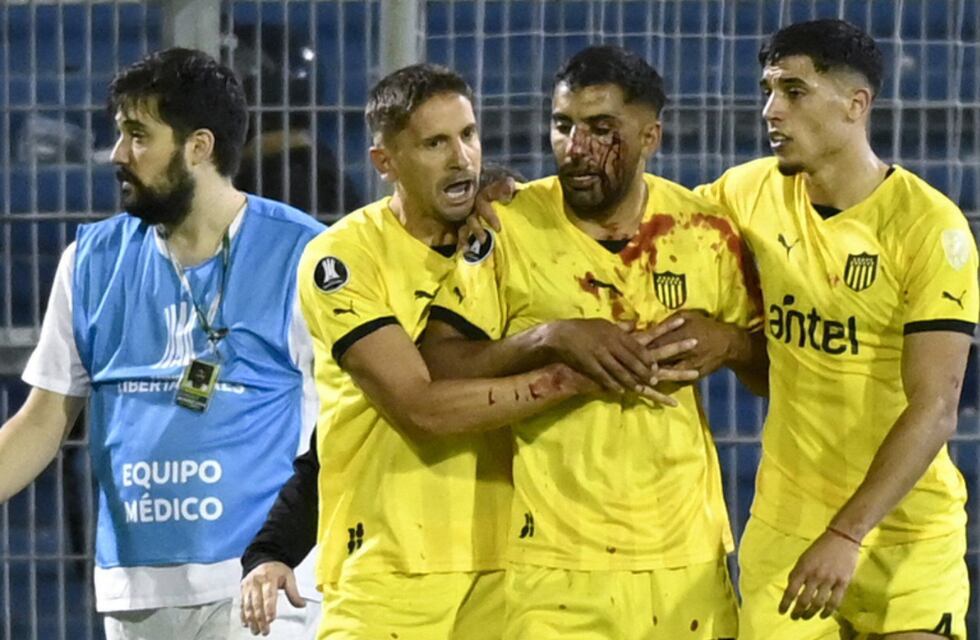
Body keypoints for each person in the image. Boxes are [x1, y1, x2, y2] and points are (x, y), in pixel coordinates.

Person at [419, 45, 765, 639]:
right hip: (555, 562)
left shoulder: (704, 231)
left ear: (650, 135)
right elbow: (440, 364)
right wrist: (549, 338)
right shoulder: (508, 225)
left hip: (686, 554)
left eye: (601, 129)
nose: (575, 149)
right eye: (562, 126)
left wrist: (732, 342)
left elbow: (776, 375)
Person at [280, 62, 623, 640]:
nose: (462, 158)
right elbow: (422, 407)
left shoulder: (506, 235)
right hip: (387, 570)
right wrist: (565, 372)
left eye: (468, 135)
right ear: (385, 162)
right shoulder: (342, 259)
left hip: (508, 563)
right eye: (435, 143)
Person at [0, 48, 324, 639]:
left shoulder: (303, 256)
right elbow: (42, 422)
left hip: (264, 588)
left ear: (199, 147)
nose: (119, 154)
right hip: (136, 590)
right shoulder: (90, 261)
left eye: (137, 136)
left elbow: (348, 426)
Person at [672, 19, 978, 639]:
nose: (770, 110)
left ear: (855, 105)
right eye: (768, 90)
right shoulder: (747, 191)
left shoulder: (929, 228)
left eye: (794, 91)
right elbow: (648, 218)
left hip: (904, 529)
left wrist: (847, 533)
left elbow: (937, 407)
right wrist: (520, 200)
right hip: (789, 524)